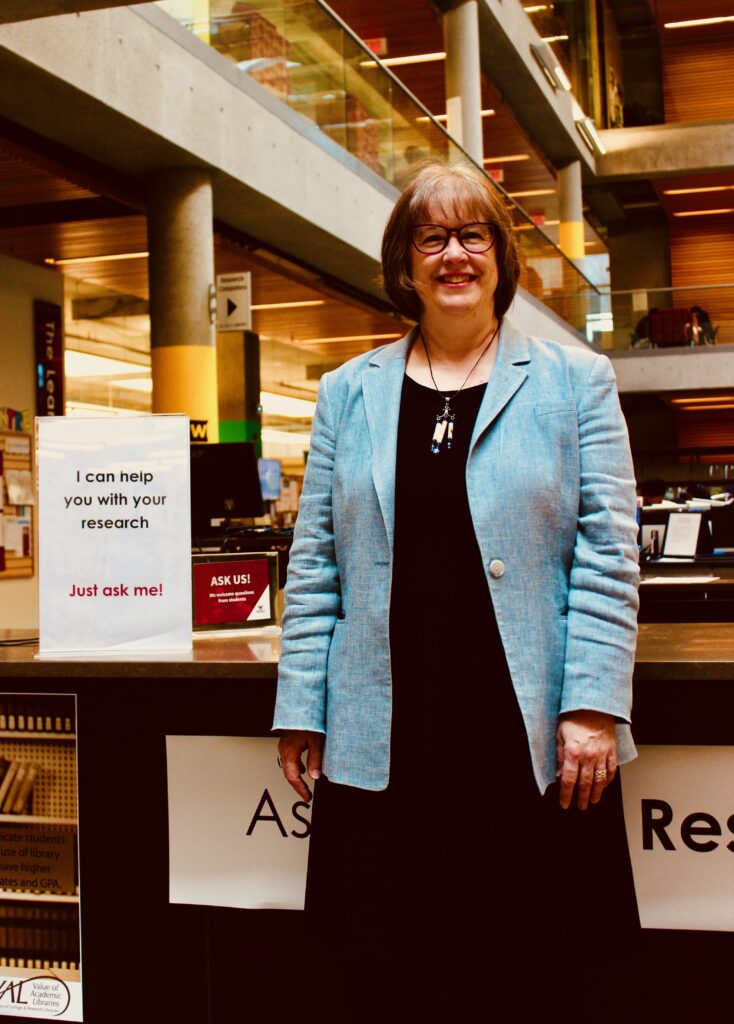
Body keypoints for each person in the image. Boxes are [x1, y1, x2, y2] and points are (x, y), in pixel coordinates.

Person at [273, 161, 641, 1018]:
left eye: (472, 235)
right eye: (431, 238)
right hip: (383, 737)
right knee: (387, 977)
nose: (454, 255)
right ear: (404, 263)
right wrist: (301, 704)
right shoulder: (346, 392)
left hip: (527, 740)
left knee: (532, 976)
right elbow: (316, 558)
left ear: (500, 255)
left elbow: (609, 553)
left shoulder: (573, 381)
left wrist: (591, 702)